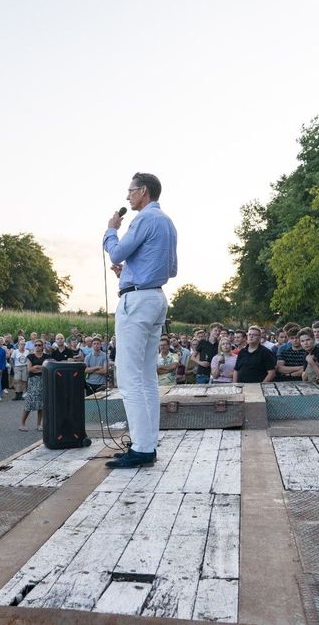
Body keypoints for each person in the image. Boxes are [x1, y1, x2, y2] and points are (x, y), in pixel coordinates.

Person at [102, 173, 178, 468]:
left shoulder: (143, 220)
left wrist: (111, 231)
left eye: (131, 191)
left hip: (137, 301)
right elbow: (170, 269)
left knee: (129, 376)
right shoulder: (167, 222)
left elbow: (118, 250)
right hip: (155, 296)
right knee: (147, 377)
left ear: (143, 192)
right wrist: (133, 273)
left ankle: (142, 447)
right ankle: (146, 444)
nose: (128, 197)